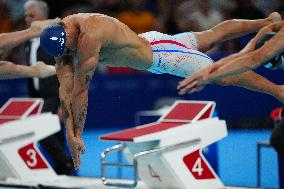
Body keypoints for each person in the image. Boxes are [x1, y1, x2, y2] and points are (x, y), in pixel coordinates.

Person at [40, 12, 284, 169]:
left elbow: (81, 90)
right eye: (65, 51)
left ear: (69, 33)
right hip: (152, 42)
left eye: (70, 46)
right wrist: (70, 135)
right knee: (210, 37)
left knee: (221, 76)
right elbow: (66, 90)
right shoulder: (62, 46)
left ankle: (278, 90)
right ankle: (268, 22)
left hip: (161, 56)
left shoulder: (89, 35)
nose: (70, 52)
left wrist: (78, 132)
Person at [24, 0, 74, 175]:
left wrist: (63, 103)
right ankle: (65, 171)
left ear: (44, 17)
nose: (27, 20)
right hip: (37, 98)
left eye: (32, 16)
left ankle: (66, 164)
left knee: (42, 132)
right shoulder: (28, 41)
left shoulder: (55, 38)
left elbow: (67, 70)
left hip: (54, 97)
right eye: (26, 16)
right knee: (55, 134)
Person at [177, 21, 284, 95]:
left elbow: (255, 59)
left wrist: (208, 76)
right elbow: (242, 55)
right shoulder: (272, 29)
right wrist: (208, 70)